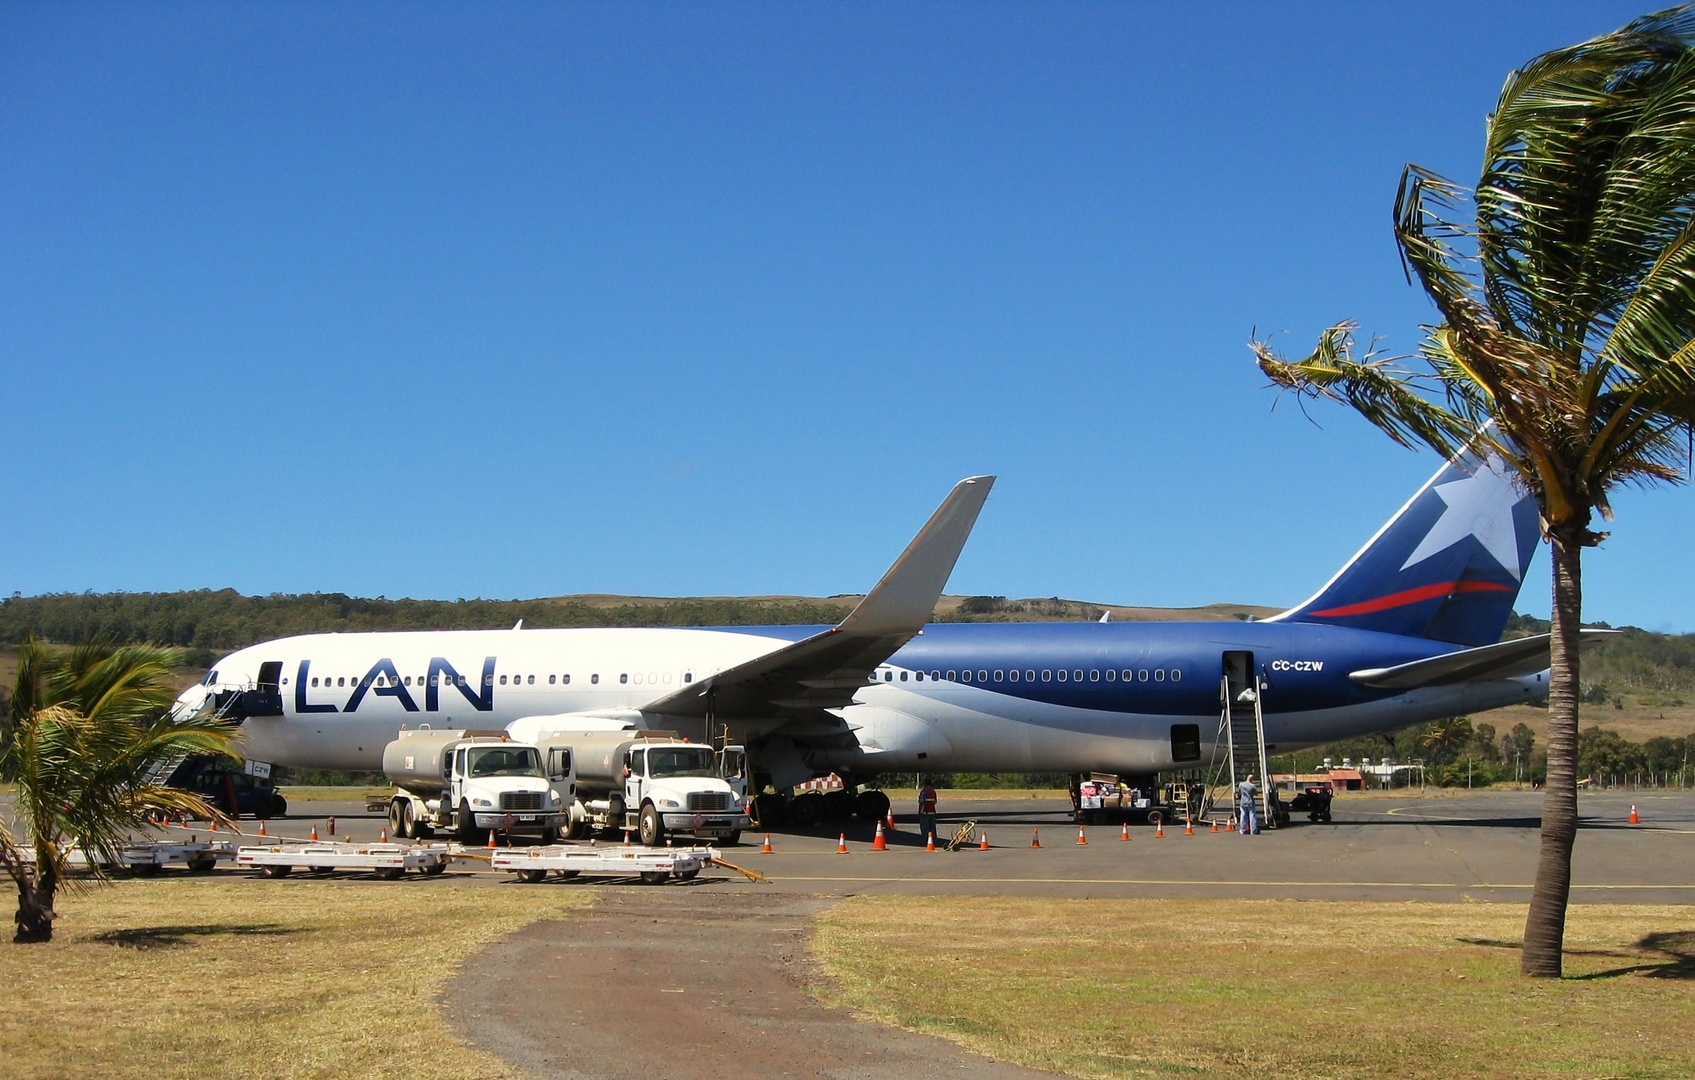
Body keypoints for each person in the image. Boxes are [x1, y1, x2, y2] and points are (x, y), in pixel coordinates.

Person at [918, 779, 938, 845]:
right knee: (932, 827)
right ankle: (934, 840)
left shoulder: (924, 792)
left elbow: (922, 802)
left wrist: (920, 811)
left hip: (925, 811)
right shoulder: (933, 791)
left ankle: (924, 841)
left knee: (924, 828)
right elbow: (935, 801)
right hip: (932, 811)